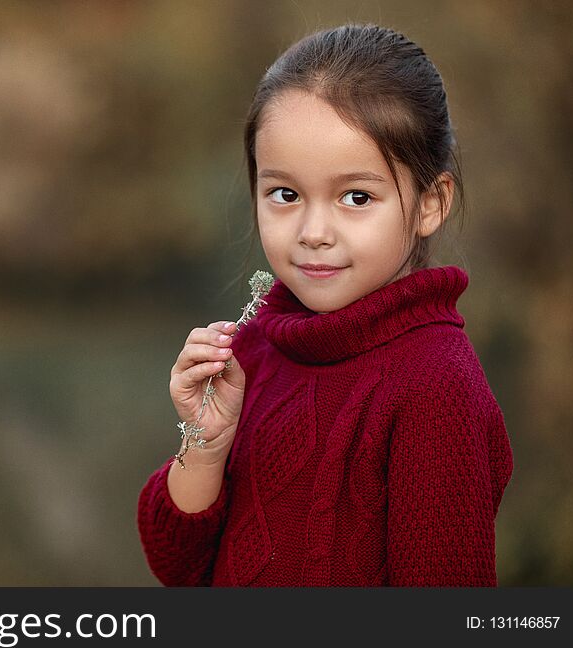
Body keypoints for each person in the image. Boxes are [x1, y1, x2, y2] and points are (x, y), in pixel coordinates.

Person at [136, 23, 515, 586]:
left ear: (431, 203)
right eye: (285, 194)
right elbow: (178, 567)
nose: (313, 231)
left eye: (356, 197)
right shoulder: (256, 343)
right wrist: (206, 444)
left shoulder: (435, 386)